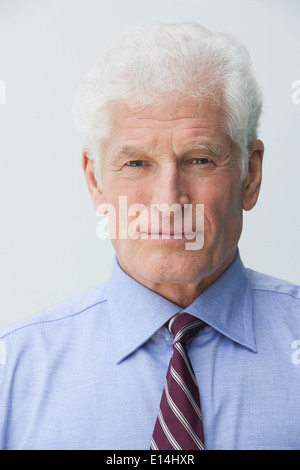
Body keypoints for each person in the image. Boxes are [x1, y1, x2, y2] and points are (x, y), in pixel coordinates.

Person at [0, 22, 300, 451]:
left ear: (250, 176)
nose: (167, 201)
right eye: (136, 164)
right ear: (95, 182)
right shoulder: (11, 375)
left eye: (199, 159)